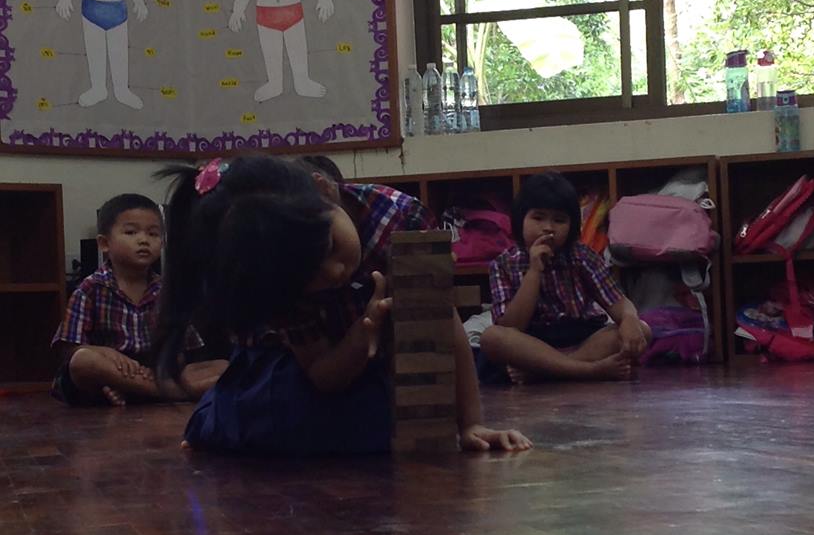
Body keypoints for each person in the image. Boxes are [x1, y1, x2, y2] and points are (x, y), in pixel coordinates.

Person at [154, 155, 530, 456]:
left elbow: (440, 317)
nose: (335, 272)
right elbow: (322, 375)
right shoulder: (276, 279)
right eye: (309, 277)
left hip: (385, 366)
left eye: (331, 247)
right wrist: (364, 330)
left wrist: (470, 423)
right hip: (300, 368)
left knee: (392, 424)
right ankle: (219, 412)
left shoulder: (400, 218)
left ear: (325, 190)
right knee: (287, 420)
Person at [50, 194, 226, 406]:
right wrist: (103, 352)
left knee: (222, 366)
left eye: (153, 234)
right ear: (104, 243)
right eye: (131, 232)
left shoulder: (166, 291)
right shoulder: (90, 289)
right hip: (114, 369)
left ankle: (139, 390)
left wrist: (170, 360)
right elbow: (69, 348)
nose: (144, 240)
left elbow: (186, 349)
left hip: (155, 372)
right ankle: (171, 393)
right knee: (84, 361)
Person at [479, 171, 651, 383]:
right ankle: (589, 370)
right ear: (520, 219)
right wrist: (534, 271)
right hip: (531, 343)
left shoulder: (582, 256)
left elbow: (619, 303)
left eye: (559, 220)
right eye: (538, 217)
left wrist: (629, 319)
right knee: (492, 337)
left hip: (581, 337)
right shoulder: (504, 264)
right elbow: (512, 326)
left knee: (642, 329)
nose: (548, 228)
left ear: (572, 226)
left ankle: (544, 372)